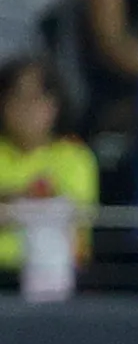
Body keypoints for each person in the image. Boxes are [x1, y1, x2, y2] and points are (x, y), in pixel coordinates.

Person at [0, 57, 103, 293]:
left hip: (56, 279)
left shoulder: (74, 156)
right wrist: (29, 198)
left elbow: (70, 210)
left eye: (37, 98)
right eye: (16, 96)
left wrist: (11, 202)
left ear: (55, 104)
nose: (26, 108)